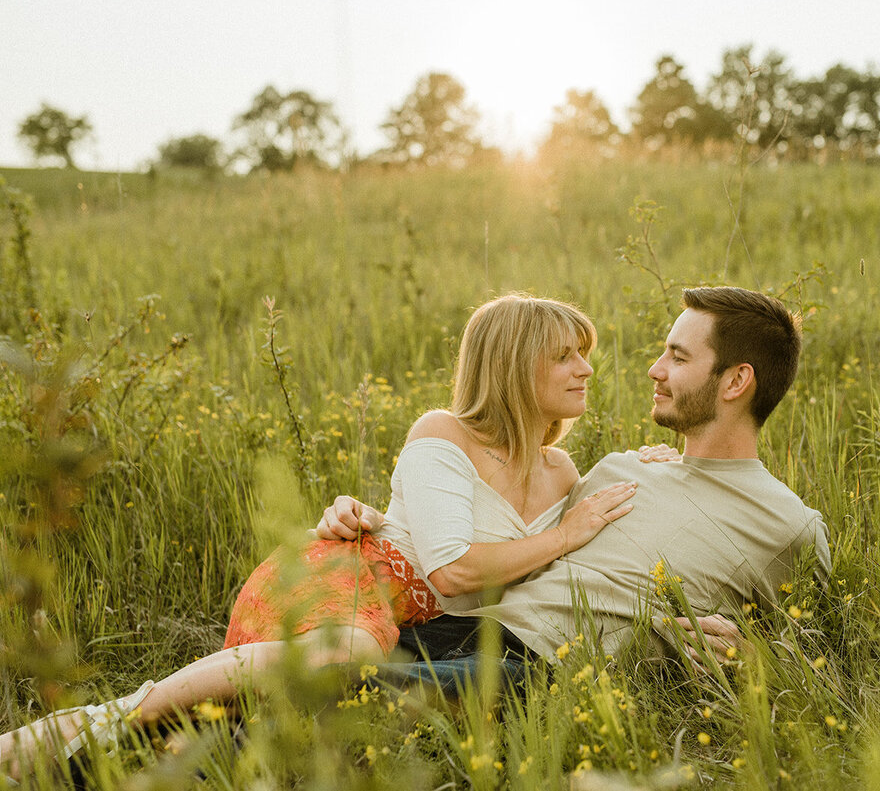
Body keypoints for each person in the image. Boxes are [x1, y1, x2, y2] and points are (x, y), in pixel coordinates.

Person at [0, 293, 649, 777]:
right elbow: (452, 571)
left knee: (228, 722)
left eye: (584, 353)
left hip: (407, 627)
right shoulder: (444, 433)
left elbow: (589, 541)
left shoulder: (563, 471)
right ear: (511, 365)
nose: (585, 368)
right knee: (346, 652)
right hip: (349, 576)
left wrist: (659, 464)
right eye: (564, 355)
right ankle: (112, 715)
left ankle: (87, 753)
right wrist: (568, 534)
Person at [328, 286, 832, 686]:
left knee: (356, 693)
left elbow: (826, 649)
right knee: (328, 666)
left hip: (550, 665)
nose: (654, 371)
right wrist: (376, 518)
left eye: (678, 359)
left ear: (735, 382)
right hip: (464, 628)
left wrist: (753, 657)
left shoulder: (788, 525)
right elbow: (512, 530)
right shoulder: (622, 468)